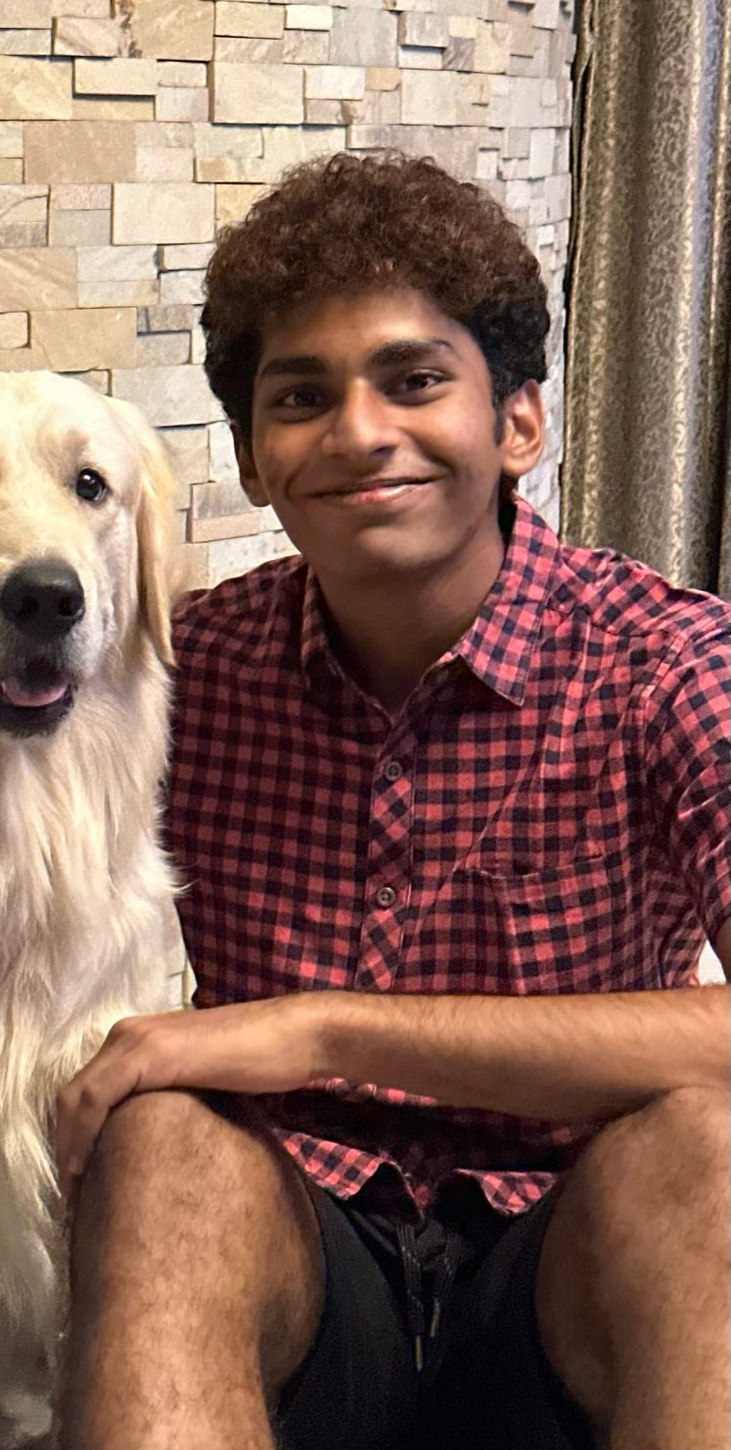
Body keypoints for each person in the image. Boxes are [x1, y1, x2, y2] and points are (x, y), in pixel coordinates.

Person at [55, 153, 730, 1450]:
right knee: (159, 1147)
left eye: (412, 380)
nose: (358, 432)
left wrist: (323, 1029)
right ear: (253, 460)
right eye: (301, 396)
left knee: (703, 1152)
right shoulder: (183, 675)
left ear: (516, 420)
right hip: (294, 1269)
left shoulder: (668, 663)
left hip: (573, 1262)